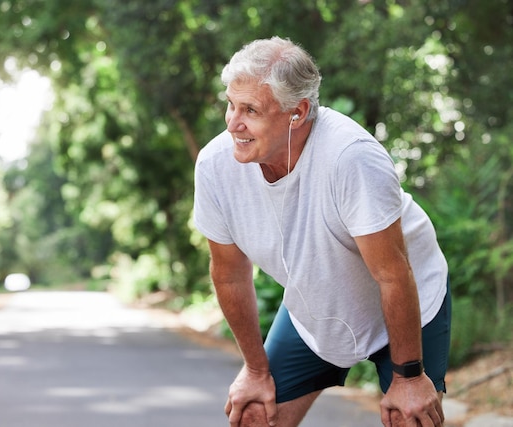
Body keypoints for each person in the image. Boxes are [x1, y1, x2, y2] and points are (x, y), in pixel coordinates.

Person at [193, 36, 450, 427]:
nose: (232, 122)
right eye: (230, 104)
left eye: (250, 110)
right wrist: (255, 370)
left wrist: (410, 377)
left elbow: (392, 274)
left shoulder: (351, 158)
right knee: (255, 414)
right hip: (314, 310)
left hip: (408, 304)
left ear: (296, 113)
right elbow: (228, 273)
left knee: (410, 417)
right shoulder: (215, 167)